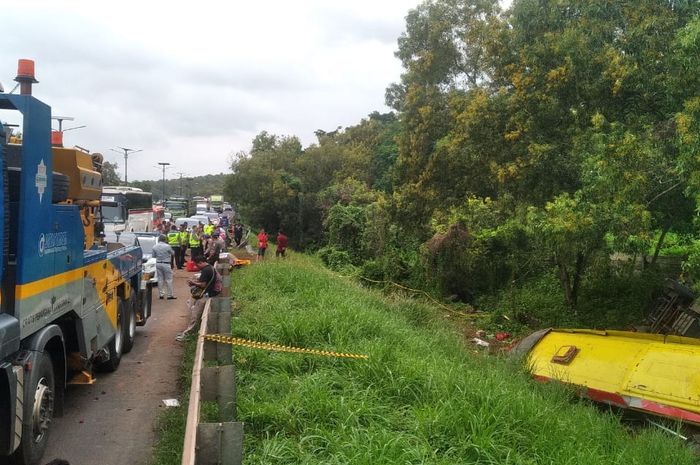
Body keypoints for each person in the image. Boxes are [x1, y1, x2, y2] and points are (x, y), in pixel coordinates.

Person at [176, 255, 219, 341]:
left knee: (195, 315)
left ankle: (188, 334)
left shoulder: (206, 271)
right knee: (193, 311)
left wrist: (193, 283)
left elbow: (203, 285)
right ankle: (188, 332)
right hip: (208, 294)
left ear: (201, 262)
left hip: (205, 295)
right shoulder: (210, 268)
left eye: (197, 265)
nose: (196, 267)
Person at [152, 234, 176, 300]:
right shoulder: (167, 246)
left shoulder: (154, 246)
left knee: (160, 279)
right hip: (166, 264)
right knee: (169, 279)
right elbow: (173, 253)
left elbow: (153, 256)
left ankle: (161, 294)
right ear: (165, 239)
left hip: (158, 263)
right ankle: (169, 295)